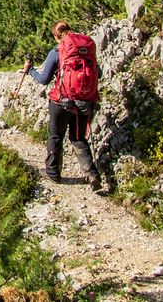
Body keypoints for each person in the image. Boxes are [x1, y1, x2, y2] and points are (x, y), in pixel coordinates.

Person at [24, 20, 109, 193]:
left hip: (61, 102)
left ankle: (53, 173)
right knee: (78, 138)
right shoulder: (86, 50)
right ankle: (92, 175)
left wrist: (30, 70)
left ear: (56, 35)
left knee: (55, 136)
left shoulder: (57, 52)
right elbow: (98, 73)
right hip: (84, 102)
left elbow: (44, 80)